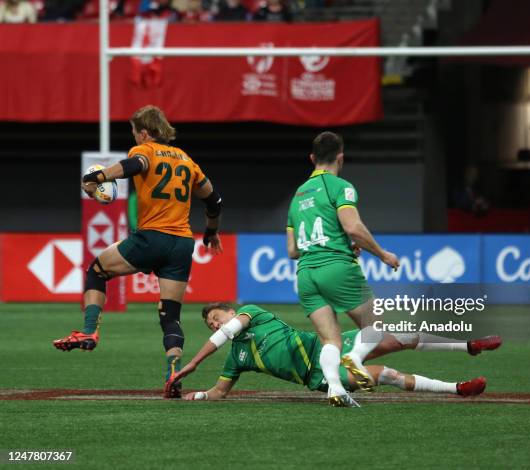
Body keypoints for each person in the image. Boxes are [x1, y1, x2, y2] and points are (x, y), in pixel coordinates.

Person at [52, 105, 223, 399]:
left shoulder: (144, 151)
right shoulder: (187, 161)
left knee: (96, 270)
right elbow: (215, 201)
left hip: (152, 237)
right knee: (170, 315)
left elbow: (135, 166)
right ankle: (174, 372)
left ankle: (89, 330)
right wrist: (210, 232)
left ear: (144, 132)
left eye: (134, 132)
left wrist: (97, 178)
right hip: (182, 243)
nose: (134, 138)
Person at [165, 303, 502, 402]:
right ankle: (458, 388)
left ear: (229, 311)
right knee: (388, 375)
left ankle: (468, 345)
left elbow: (229, 330)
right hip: (318, 376)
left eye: (215, 318)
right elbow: (219, 392)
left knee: (404, 336)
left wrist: (192, 363)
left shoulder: (252, 312)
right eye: (210, 324)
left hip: (328, 343)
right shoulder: (235, 358)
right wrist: (187, 395)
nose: (214, 325)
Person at [285, 131, 401, 407]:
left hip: (305, 275)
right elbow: (353, 227)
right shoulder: (340, 187)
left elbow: (292, 250)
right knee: (375, 326)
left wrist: (336, 243)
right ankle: (356, 358)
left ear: (312, 158)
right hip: (337, 269)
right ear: (341, 158)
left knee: (330, 339)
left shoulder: (297, 196)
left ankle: (335, 389)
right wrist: (383, 254)